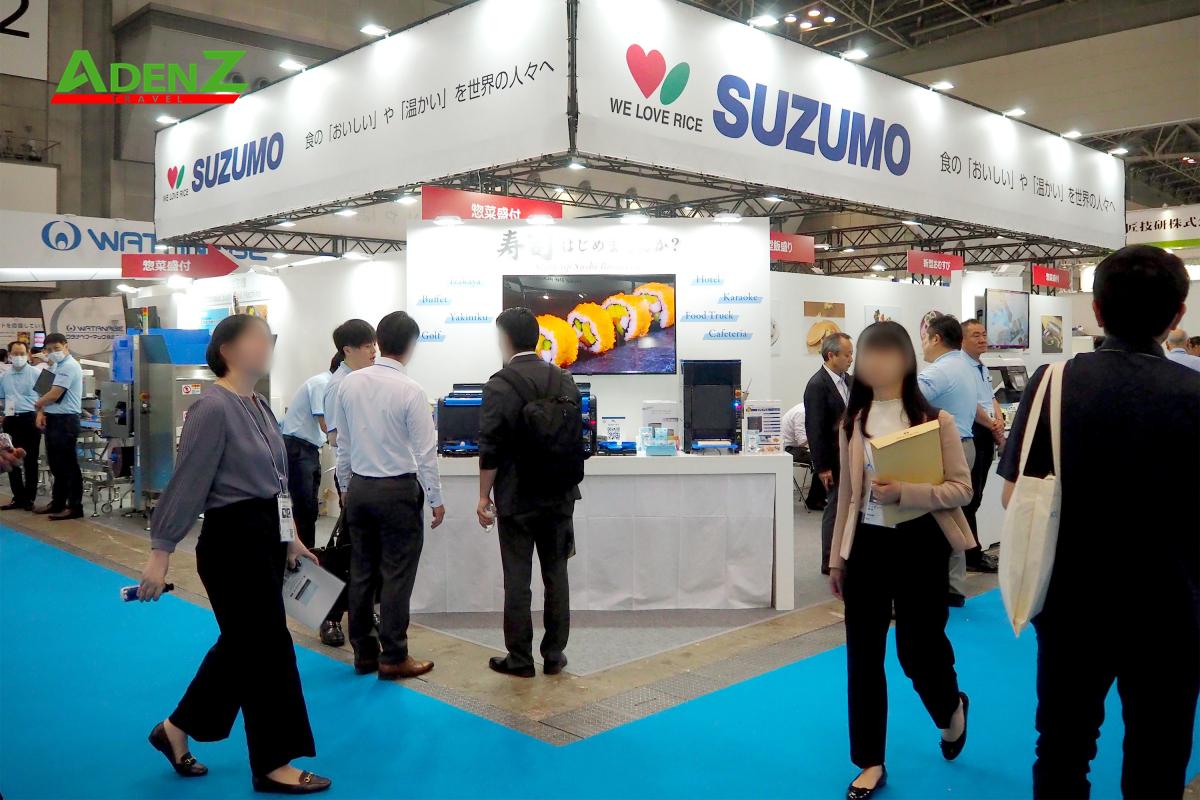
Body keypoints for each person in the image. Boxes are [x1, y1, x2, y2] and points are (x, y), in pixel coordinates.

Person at [999, 245, 1199, 799]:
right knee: (1159, 758)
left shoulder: (1052, 382)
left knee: (1062, 750)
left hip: (1071, 604)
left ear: (1097, 310)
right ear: (1177, 314)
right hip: (1171, 607)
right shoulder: (1194, 394)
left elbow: (1015, 495)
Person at [137, 314, 330, 795]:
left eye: (268, 339)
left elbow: (276, 482)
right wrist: (160, 552)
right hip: (232, 543)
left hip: (265, 536)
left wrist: (290, 537)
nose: (266, 345)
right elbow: (188, 482)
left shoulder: (258, 404)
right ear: (226, 350)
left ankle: (174, 729)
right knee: (267, 650)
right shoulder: (211, 408)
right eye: (255, 339)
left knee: (242, 647)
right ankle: (272, 763)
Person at [828, 321, 974, 800]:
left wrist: (906, 492)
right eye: (870, 353)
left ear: (907, 360)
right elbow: (847, 497)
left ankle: (950, 708)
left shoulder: (936, 421)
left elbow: (961, 489)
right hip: (866, 548)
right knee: (863, 657)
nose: (878, 363)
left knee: (919, 650)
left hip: (921, 545)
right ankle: (869, 761)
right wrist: (837, 559)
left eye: (889, 353)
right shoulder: (853, 422)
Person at [334, 311, 443, 680]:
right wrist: (435, 498)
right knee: (397, 574)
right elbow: (425, 453)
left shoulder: (349, 385)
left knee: (361, 570)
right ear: (411, 346)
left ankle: (364, 653)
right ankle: (394, 656)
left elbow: (343, 445)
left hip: (361, 488)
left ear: (378, 342)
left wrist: (345, 487)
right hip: (397, 491)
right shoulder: (411, 390)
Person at [476, 308, 582, 678]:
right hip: (560, 493)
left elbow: (490, 447)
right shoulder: (564, 378)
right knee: (557, 574)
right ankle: (554, 654)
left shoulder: (499, 384)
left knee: (518, 579)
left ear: (505, 339)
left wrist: (483, 497)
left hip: (516, 496)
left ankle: (520, 659)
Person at [917, 315, 980, 607]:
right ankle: (954, 586)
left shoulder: (939, 371)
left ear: (936, 339)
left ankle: (933, 586)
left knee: (935, 519)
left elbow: (905, 401)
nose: (922, 345)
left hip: (942, 451)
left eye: (924, 338)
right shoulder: (966, 365)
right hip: (965, 446)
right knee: (953, 515)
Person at [280, 365, 342, 646]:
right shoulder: (322, 384)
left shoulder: (331, 386)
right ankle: (299, 567)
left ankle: (304, 561)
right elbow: (326, 424)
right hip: (297, 449)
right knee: (303, 509)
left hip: (309, 449)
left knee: (310, 510)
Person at [804, 331, 853, 574]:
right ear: (831, 355)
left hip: (852, 455)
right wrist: (822, 467)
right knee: (834, 508)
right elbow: (814, 429)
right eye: (847, 355)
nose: (851, 359)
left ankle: (847, 556)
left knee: (849, 507)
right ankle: (828, 560)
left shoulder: (850, 381)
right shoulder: (817, 385)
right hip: (833, 459)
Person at [958, 319, 1003, 573]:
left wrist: (999, 421)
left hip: (986, 431)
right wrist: (993, 425)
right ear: (962, 339)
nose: (982, 339)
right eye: (976, 335)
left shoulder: (981, 367)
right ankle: (970, 554)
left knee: (977, 495)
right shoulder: (961, 368)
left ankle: (972, 552)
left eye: (984, 334)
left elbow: (990, 397)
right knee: (970, 496)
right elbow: (971, 404)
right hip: (973, 432)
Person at [32, 333, 84, 520]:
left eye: (57, 348)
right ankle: (58, 502)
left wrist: (37, 405)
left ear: (66, 346)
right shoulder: (53, 367)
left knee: (68, 465)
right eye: (49, 350)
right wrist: (41, 412)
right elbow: (42, 391)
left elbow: (54, 394)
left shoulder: (69, 366)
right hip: (53, 418)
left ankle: (74, 507)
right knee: (56, 465)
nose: (54, 352)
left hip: (66, 420)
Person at [0, 341, 43, 510]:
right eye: (15, 354)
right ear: (9, 355)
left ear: (28, 354)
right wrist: (5, 415)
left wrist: (40, 414)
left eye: (22, 353)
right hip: (11, 419)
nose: (18, 357)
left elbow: (46, 397)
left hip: (30, 419)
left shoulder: (37, 373)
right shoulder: (4, 376)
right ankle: (17, 497)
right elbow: (4, 398)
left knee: (31, 460)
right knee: (12, 459)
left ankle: (29, 499)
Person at [782, 401, 825, 510]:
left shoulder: (807, 410)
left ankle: (819, 498)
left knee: (824, 457)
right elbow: (802, 441)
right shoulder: (802, 413)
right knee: (822, 460)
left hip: (794, 447)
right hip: (788, 449)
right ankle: (814, 500)